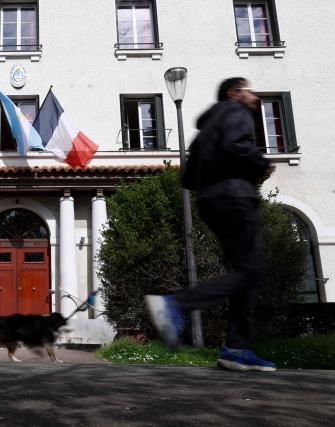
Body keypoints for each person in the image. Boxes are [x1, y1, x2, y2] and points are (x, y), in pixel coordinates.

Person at [145, 77, 277, 372]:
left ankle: (235, 348)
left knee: (245, 273)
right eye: (249, 91)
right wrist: (261, 163)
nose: (255, 97)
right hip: (234, 196)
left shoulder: (206, 128)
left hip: (211, 199)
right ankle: (176, 304)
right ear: (233, 93)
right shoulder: (235, 111)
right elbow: (237, 145)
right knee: (251, 271)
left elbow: (189, 176)